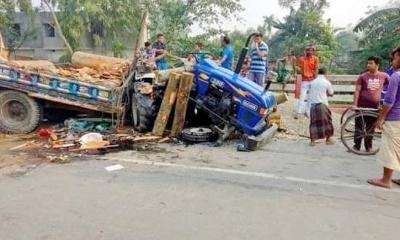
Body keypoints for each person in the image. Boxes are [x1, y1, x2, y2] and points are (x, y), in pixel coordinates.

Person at [368, 47, 400, 189]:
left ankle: (386, 180)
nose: (393, 61)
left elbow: (389, 101)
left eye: (394, 58)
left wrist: (381, 118)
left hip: (395, 117)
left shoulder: (396, 76)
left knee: (390, 148)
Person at [353, 56, 389, 152]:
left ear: (377, 65)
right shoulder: (363, 76)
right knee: (359, 126)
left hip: (375, 107)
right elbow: (357, 90)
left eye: (371, 63)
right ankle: (356, 145)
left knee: (370, 128)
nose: (368, 65)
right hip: (361, 106)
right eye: (368, 63)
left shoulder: (384, 76)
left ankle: (368, 147)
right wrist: (354, 104)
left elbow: (391, 86)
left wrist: (385, 99)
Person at [308, 67, 335, 146]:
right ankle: (328, 139)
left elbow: (310, 93)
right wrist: (327, 93)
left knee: (314, 123)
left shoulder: (312, 82)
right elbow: (331, 93)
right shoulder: (326, 82)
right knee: (327, 122)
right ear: (325, 73)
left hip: (313, 105)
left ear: (318, 73)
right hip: (323, 105)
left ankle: (312, 141)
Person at [296, 45, 320, 118]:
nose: (310, 51)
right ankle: (299, 112)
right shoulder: (302, 59)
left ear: (313, 51)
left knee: (311, 97)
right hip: (305, 80)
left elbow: (316, 69)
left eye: (311, 50)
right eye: (308, 50)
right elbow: (299, 67)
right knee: (302, 96)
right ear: (306, 51)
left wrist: (315, 80)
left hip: (312, 80)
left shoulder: (316, 59)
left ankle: (307, 111)